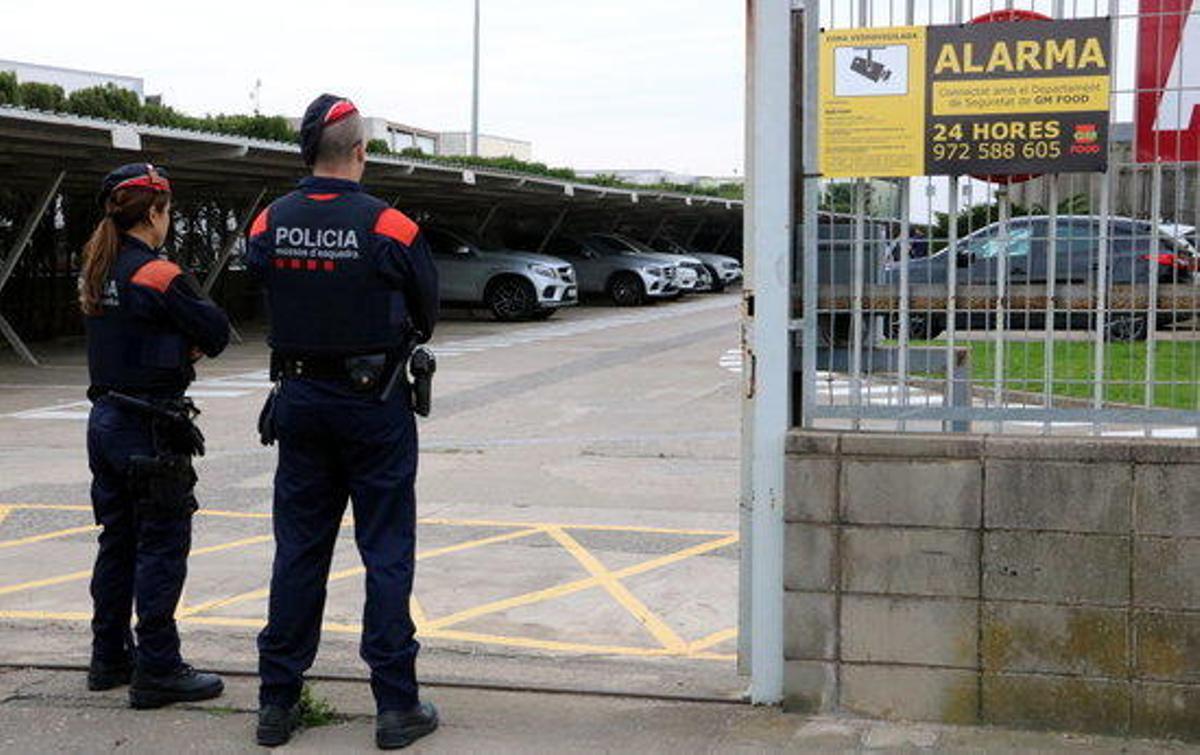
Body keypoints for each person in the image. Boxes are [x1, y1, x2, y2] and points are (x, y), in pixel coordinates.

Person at [247, 94, 439, 750]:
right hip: (373, 404)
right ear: (360, 151)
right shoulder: (392, 227)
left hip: (300, 399)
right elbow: (426, 313)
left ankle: (277, 702)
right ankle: (396, 705)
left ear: (307, 153)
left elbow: (262, 281)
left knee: (299, 548)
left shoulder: (269, 221)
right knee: (385, 549)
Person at [80, 163, 230, 709]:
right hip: (150, 426)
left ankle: (108, 657)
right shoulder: (158, 274)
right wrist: (180, 346)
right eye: (168, 211)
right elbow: (217, 332)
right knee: (162, 545)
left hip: (105, 419)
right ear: (155, 213)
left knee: (117, 541)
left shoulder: (96, 269)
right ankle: (159, 668)